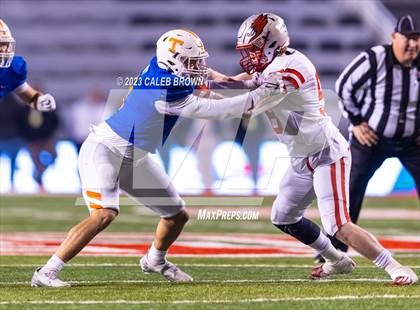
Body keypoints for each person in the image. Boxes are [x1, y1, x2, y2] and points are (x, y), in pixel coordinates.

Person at [31, 28, 284, 287]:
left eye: (196, 60)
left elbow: (211, 79)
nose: (197, 67)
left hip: (135, 158)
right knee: (104, 214)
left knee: (177, 215)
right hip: (105, 151)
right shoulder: (163, 92)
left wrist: (249, 83)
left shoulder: (165, 68)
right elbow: (219, 110)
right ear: (173, 61)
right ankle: (46, 272)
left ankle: (155, 260)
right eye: (190, 61)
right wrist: (259, 95)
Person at [214, 13, 417, 285]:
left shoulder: (290, 69)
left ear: (272, 44)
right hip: (301, 156)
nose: (251, 56)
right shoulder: (272, 64)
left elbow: (243, 103)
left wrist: (191, 104)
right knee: (283, 216)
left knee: (338, 225)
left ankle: (396, 267)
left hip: (326, 154)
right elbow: (236, 83)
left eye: (254, 49)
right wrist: (194, 79)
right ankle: (336, 260)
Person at [324, 15, 420, 256]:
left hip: (412, 141)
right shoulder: (373, 59)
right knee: (350, 191)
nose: (413, 44)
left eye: (417, 39)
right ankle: (335, 252)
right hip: (371, 140)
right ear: (394, 37)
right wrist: (356, 122)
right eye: (408, 38)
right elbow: (344, 86)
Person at [0, 19, 56, 111]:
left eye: (3, 45)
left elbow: (22, 90)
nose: (2, 51)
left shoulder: (9, 70)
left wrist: (36, 100)